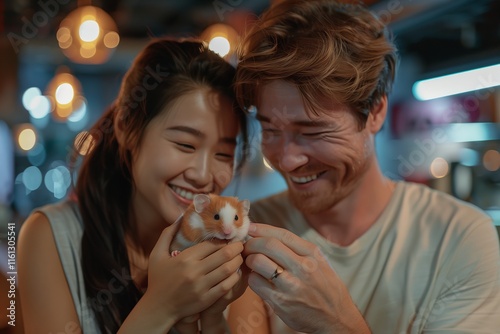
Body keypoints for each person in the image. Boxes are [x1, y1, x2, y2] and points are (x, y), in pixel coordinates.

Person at [228, 1, 500, 333]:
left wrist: (335, 323)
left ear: (375, 112)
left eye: (313, 131)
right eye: (270, 131)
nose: (286, 159)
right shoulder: (246, 227)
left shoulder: (459, 238)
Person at [18, 38, 251, 333]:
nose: (204, 176)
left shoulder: (227, 252)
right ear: (128, 129)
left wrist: (213, 318)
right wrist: (163, 306)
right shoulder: (51, 236)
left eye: (223, 154)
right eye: (185, 144)